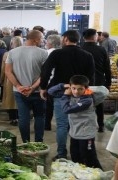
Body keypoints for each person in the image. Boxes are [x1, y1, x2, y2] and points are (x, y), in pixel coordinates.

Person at [40, 30, 95, 160]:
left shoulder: (57, 53)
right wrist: (86, 94)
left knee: (62, 125)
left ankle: (62, 154)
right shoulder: (87, 55)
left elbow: (46, 70)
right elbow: (92, 78)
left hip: (62, 94)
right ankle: (77, 154)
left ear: (65, 39)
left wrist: (43, 88)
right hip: (80, 95)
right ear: (78, 40)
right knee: (77, 124)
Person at [48, 75, 102, 169]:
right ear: (70, 87)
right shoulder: (70, 94)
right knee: (75, 156)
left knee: (89, 157)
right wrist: (62, 86)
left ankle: (99, 174)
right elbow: (50, 91)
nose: (76, 91)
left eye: (80, 89)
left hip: (86, 134)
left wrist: (65, 95)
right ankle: (81, 174)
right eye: (74, 88)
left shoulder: (87, 100)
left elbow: (66, 109)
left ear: (86, 88)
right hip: (74, 133)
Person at [5, 30, 48, 143]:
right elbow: (45, 74)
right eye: (42, 38)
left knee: (23, 118)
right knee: (39, 117)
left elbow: (8, 72)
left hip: (19, 91)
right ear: (36, 39)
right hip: (38, 91)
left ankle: (26, 142)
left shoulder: (12, 52)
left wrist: (18, 86)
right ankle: (39, 142)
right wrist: (33, 87)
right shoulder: (43, 53)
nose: (43, 40)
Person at [82, 29, 111, 133]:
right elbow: (107, 68)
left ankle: (84, 126)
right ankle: (101, 125)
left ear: (84, 38)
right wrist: (108, 83)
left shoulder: (80, 48)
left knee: (83, 103)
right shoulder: (101, 49)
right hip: (98, 82)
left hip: (83, 83)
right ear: (95, 37)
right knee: (99, 103)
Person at [0, 37, 22, 126]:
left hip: (10, 79)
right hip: (23, 79)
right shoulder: (25, 53)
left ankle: (13, 118)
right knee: (20, 99)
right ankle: (21, 117)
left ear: (12, 44)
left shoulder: (7, 54)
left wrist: (1, 79)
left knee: (11, 100)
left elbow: (3, 69)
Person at [44, 34, 61, 131]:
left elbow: (45, 70)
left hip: (50, 82)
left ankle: (47, 124)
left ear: (50, 43)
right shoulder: (63, 53)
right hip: (61, 82)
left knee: (48, 105)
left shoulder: (47, 53)